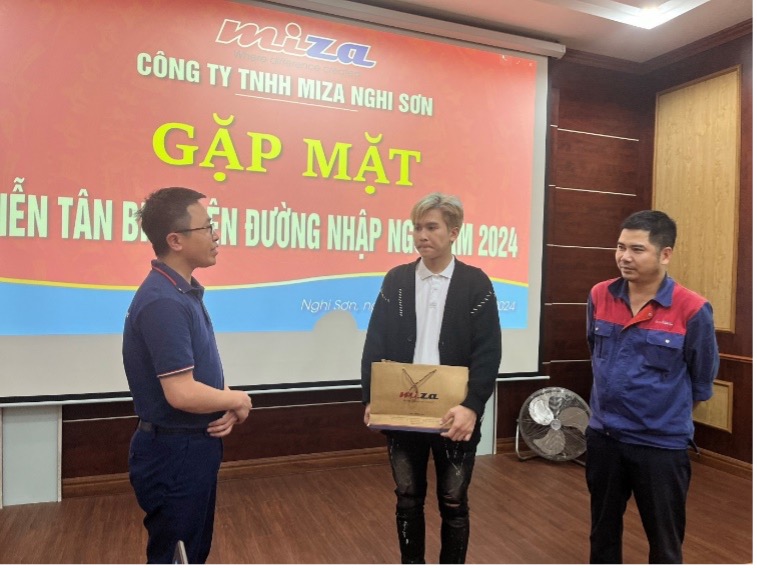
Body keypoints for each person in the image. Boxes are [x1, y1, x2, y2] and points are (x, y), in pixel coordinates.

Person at [361, 192, 502, 564]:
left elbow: (488, 353)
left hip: (455, 414)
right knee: (407, 498)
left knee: (454, 501)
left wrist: (473, 406)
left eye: (431, 227)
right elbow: (374, 341)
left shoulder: (475, 283)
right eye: (416, 228)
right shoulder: (397, 280)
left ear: (453, 232)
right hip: (402, 410)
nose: (421, 235)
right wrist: (371, 397)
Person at [122, 187, 253, 564]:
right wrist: (238, 399)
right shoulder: (163, 301)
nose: (216, 235)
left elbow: (201, 367)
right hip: (175, 453)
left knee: (192, 551)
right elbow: (180, 393)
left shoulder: (180, 291)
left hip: (189, 447)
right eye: (207, 227)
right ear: (175, 240)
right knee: (178, 556)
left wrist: (222, 397)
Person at [585, 210, 719, 564]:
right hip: (604, 438)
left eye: (637, 249)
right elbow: (594, 351)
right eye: (620, 247)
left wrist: (661, 416)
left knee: (664, 541)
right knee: (602, 534)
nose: (624, 257)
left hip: (660, 446)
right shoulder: (600, 295)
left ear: (665, 254)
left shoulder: (692, 309)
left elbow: (702, 380)